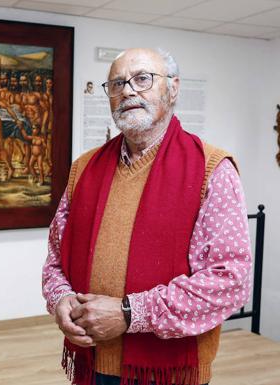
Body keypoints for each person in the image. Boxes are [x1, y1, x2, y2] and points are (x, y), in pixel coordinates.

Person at [42, 48, 252, 385]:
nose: (128, 90)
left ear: (173, 89)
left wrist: (129, 314)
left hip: (169, 371)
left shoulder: (212, 169)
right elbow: (55, 258)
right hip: (92, 361)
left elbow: (229, 281)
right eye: (117, 83)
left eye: (142, 79)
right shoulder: (83, 169)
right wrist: (61, 300)